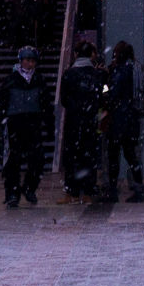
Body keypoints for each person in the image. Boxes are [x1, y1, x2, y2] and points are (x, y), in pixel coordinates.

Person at [0, 45, 50, 206]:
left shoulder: (38, 79)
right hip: (15, 124)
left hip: (32, 123)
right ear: (21, 61)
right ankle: (12, 193)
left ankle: (28, 188)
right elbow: (2, 102)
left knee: (37, 160)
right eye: (27, 60)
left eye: (33, 61)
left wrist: (48, 122)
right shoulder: (12, 79)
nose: (30, 64)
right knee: (13, 161)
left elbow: (46, 103)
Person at [58, 38, 107, 201]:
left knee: (72, 156)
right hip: (91, 120)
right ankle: (88, 190)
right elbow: (104, 95)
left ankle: (72, 190)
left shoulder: (68, 74)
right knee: (89, 155)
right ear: (91, 55)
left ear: (76, 54)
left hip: (73, 121)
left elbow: (64, 99)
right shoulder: (97, 74)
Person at [102, 40, 144, 202]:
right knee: (131, 155)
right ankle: (138, 188)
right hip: (131, 118)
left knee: (114, 156)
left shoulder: (118, 71)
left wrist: (104, 87)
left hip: (118, 119)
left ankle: (112, 190)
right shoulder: (135, 69)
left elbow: (111, 93)